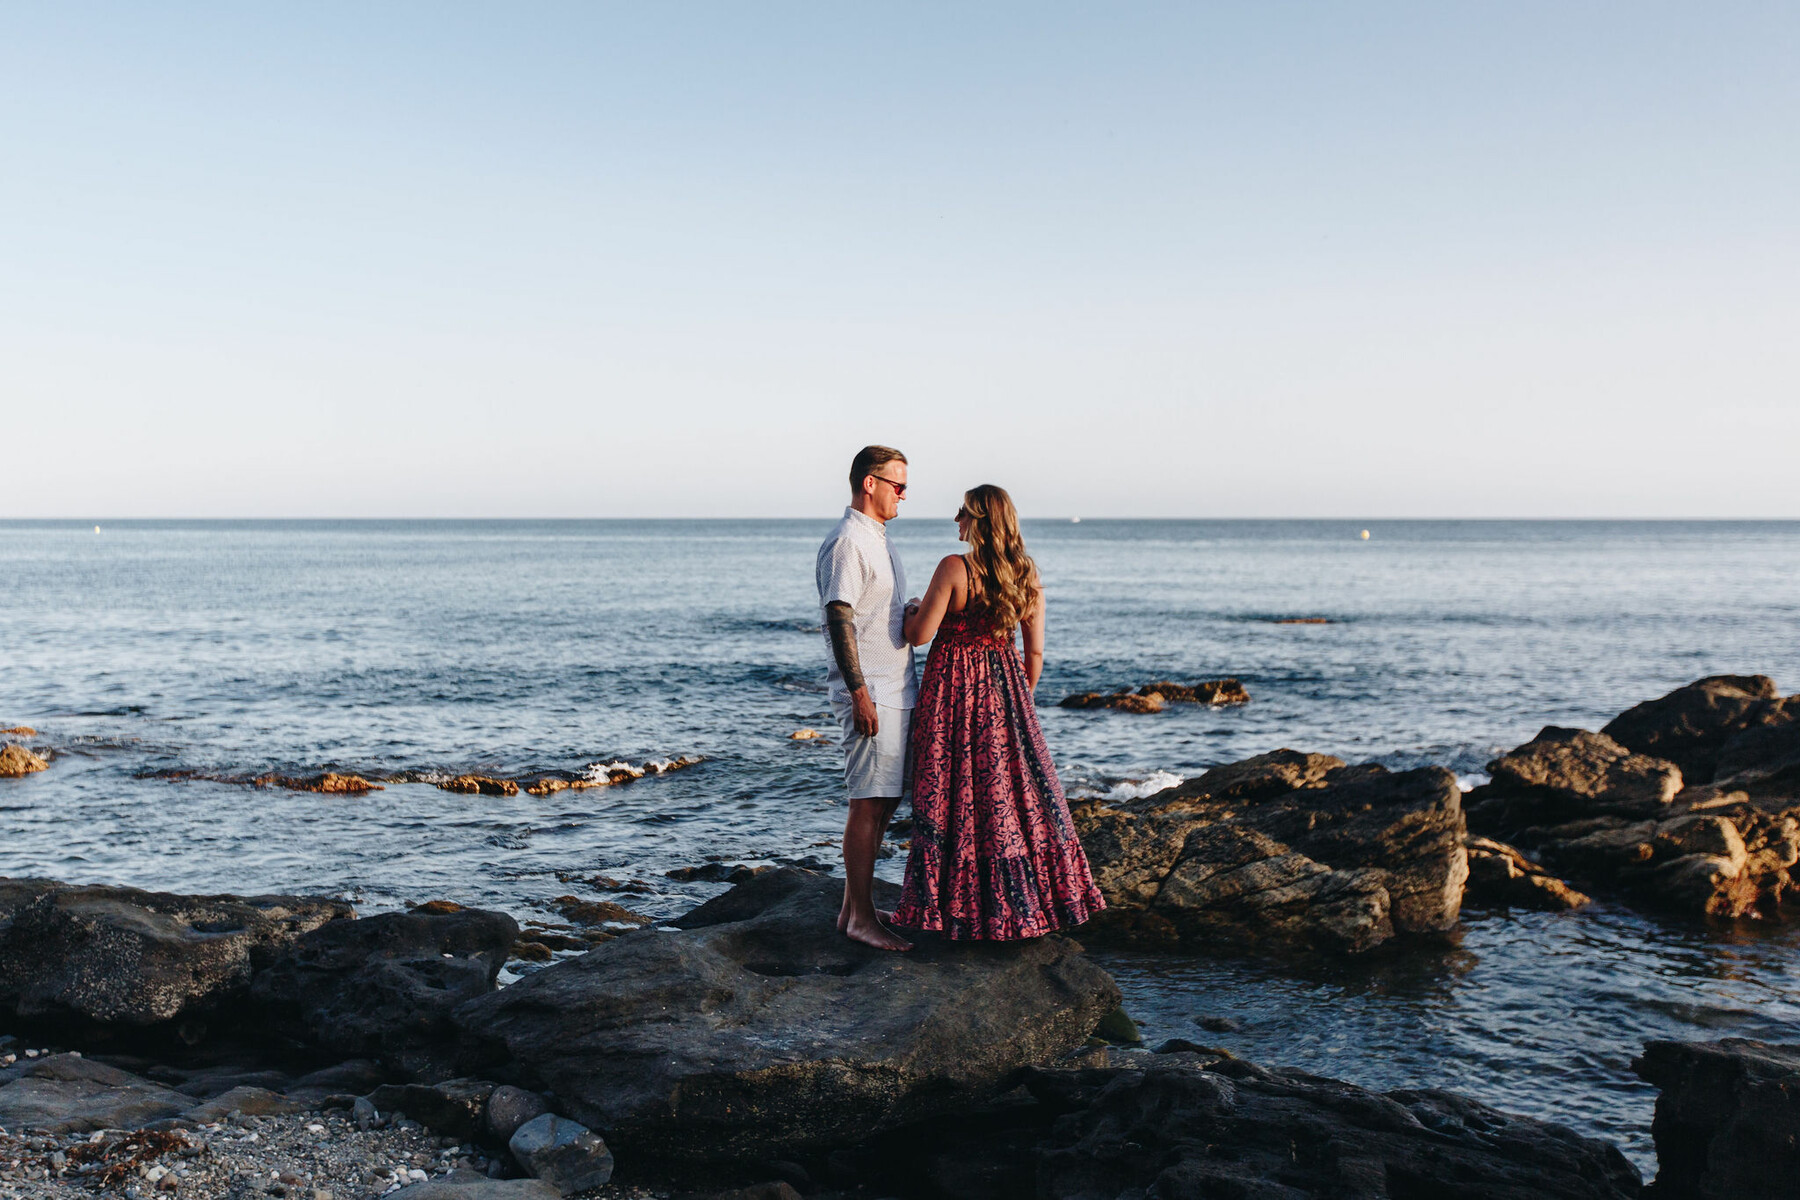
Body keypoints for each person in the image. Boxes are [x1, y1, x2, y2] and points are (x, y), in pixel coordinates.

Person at [890, 484, 1104, 940]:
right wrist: (1016, 702)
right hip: (1005, 698)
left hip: (950, 696)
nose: (956, 520)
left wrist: (909, 610)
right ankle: (1019, 910)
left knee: (951, 796)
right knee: (1006, 799)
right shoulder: (1026, 574)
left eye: (962, 512)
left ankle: (951, 912)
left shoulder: (954, 567)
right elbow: (1036, 655)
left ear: (981, 520)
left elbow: (920, 635)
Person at [816, 445, 919, 951]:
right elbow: (840, 616)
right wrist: (859, 693)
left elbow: (875, 612)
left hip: (895, 687)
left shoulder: (879, 540)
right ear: (870, 484)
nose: (904, 494)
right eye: (898, 485)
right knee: (868, 803)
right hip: (872, 690)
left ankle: (852, 909)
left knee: (886, 801)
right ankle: (860, 920)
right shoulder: (848, 542)